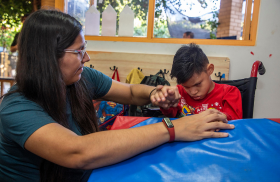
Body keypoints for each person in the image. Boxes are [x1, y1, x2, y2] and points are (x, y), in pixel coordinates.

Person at [0, 10, 235, 182]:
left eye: (85, 48)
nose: (87, 57)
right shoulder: (16, 107)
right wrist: (172, 128)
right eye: (79, 51)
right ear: (47, 57)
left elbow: (132, 91)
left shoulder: (82, 79)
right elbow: (77, 151)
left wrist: (156, 93)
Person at [160, 43, 242, 120]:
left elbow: (235, 123)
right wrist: (165, 104)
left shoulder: (229, 93)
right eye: (186, 87)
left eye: (198, 84)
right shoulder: (178, 93)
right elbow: (171, 116)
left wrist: (223, 117)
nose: (193, 92)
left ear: (210, 70)